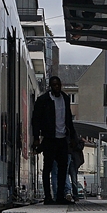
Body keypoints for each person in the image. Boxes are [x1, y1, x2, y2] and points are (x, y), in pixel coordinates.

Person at [32, 75, 77, 204]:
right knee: (48, 168)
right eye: (54, 85)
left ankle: (60, 196)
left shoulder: (66, 99)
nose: (57, 87)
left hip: (62, 139)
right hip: (49, 138)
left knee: (63, 168)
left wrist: (72, 136)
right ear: (50, 87)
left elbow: (68, 119)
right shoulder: (43, 100)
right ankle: (48, 197)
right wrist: (36, 138)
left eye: (58, 84)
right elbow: (36, 120)